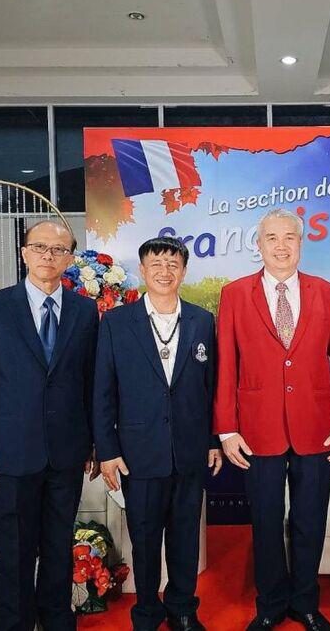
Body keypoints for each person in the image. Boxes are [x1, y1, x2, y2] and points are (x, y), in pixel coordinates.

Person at [214, 208, 330, 631]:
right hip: (255, 431)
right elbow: (226, 366)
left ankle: (306, 603)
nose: (281, 246)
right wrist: (227, 428)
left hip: (318, 428)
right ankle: (271, 604)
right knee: (264, 522)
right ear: (258, 245)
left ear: (301, 243)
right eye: (272, 238)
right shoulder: (234, 294)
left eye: (289, 237)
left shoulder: (326, 292)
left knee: (310, 520)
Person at [0, 220, 99, 631]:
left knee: (59, 544)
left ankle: (57, 618)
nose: (48, 256)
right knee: (15, 550)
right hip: (11, 452)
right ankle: (16, 622)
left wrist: (95, 442)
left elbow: (91, 382)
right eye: (39, 247)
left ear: (70, 259)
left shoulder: (84, 310)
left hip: (67, 451)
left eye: (58, 250)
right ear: (24, 253)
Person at [94, 237, 222, 631]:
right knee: (145, 540)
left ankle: (182, 609)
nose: (164, 271)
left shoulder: (203, 320)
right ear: (143, 270)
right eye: (156, 264)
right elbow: (103, 391)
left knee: (185, 538)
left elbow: (212, 388)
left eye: (173, 264)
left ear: (183, 271)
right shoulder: (117, 322)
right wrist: (107, 450)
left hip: (189, 451)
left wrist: (213, 440)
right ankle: (147, 612)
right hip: (138, 453)